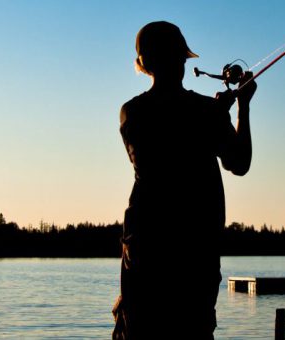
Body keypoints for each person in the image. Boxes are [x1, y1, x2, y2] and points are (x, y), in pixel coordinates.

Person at [112, 21, 256, 339]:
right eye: (181, 57)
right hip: (195, 253)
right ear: (180, 60)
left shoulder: (131, 113)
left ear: (143, 64)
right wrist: (241, 109)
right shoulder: (205, 112)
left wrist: (215, 113)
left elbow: (167, 137)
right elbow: (239, 162)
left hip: (144, 248)